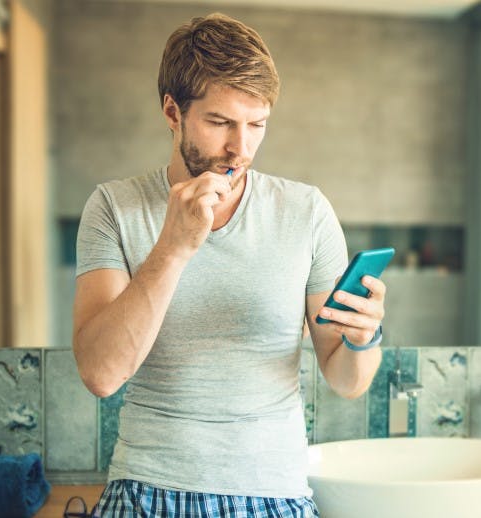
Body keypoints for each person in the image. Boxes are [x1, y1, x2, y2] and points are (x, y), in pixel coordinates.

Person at [72, 13, 385, 517]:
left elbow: (346, 380)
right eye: (220, 123)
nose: (241, 148)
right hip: (146, 490)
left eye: (256, 124)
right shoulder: (114, 207)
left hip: (274, 495)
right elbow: (101, 375)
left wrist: (363, 336)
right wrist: (173, 248)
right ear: (173, 112)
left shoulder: (306, 212)